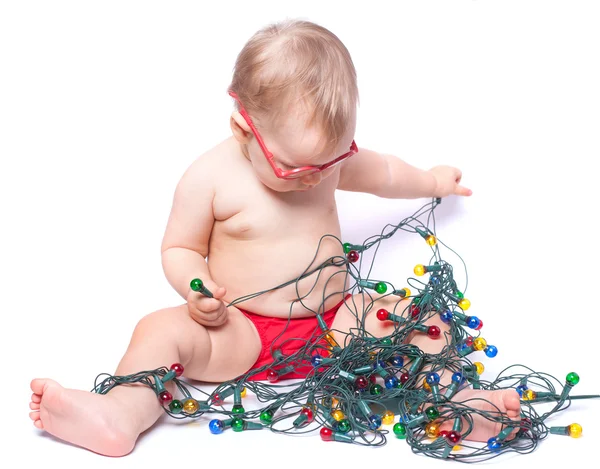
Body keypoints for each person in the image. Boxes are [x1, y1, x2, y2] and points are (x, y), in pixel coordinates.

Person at [28, 19, 520, 456]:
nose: (315, 178)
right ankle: (120, 413)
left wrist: (433, 181)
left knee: (422, 321)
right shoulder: (210, 178)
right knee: (158, 331)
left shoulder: (327, 162)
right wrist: (197, 290)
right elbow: (180, 248)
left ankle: (457, 406)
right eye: (296, 167)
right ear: (244, 129)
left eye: (329, 162)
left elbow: (385, 173)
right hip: (240, 331)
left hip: (338, 325)